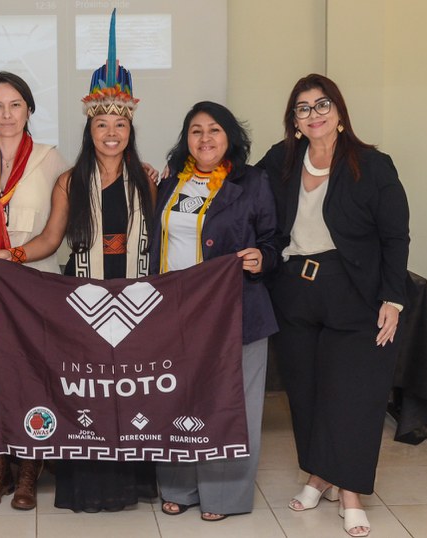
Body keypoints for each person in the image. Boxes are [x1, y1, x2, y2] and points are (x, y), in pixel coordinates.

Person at [0, 13, 158, 511]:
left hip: (136, 299)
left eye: (119, 124)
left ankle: (132, 484)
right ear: (90, 128)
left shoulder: (147, 181)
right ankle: (87, 485)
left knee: (132, 392)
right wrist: (13, 254)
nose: (111, 133)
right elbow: (49, 239)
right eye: (102, 124)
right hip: (86, 302)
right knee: (91, 392)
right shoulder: (69, 181)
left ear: (130, 129)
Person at [256, 73, 409, 537]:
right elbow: (235, 183)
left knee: (352, 396)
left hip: (354, 291)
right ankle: (318, 475)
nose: (314, 114)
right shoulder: (281, 159)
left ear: (339, 112)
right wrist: (169, 173)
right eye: (303, 108)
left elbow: (395, 235)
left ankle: (351, 492)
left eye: (322, 104)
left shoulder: (372, 164)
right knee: (305, 391)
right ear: (294, 120)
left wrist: (393, 298)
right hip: (294, 291)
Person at [150, 101, 278, 521]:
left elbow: (273, 239)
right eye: (196, 130)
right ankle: (179, 487)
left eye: (214, 130)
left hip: (236, 313)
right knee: (177, 398)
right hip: (174, 314)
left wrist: (262, 257)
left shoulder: (253, 181)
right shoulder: (170, 182)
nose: (205, 138)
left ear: (230, 137)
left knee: (231, 404)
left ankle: (223, 496)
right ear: (186, 139)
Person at [0, 71, 68, 510]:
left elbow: (89, 192)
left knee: (34, 377)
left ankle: (29, 470)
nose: (6, 114)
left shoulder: (50, 160)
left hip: (36, 280)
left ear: (29, 110)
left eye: (15, 105)